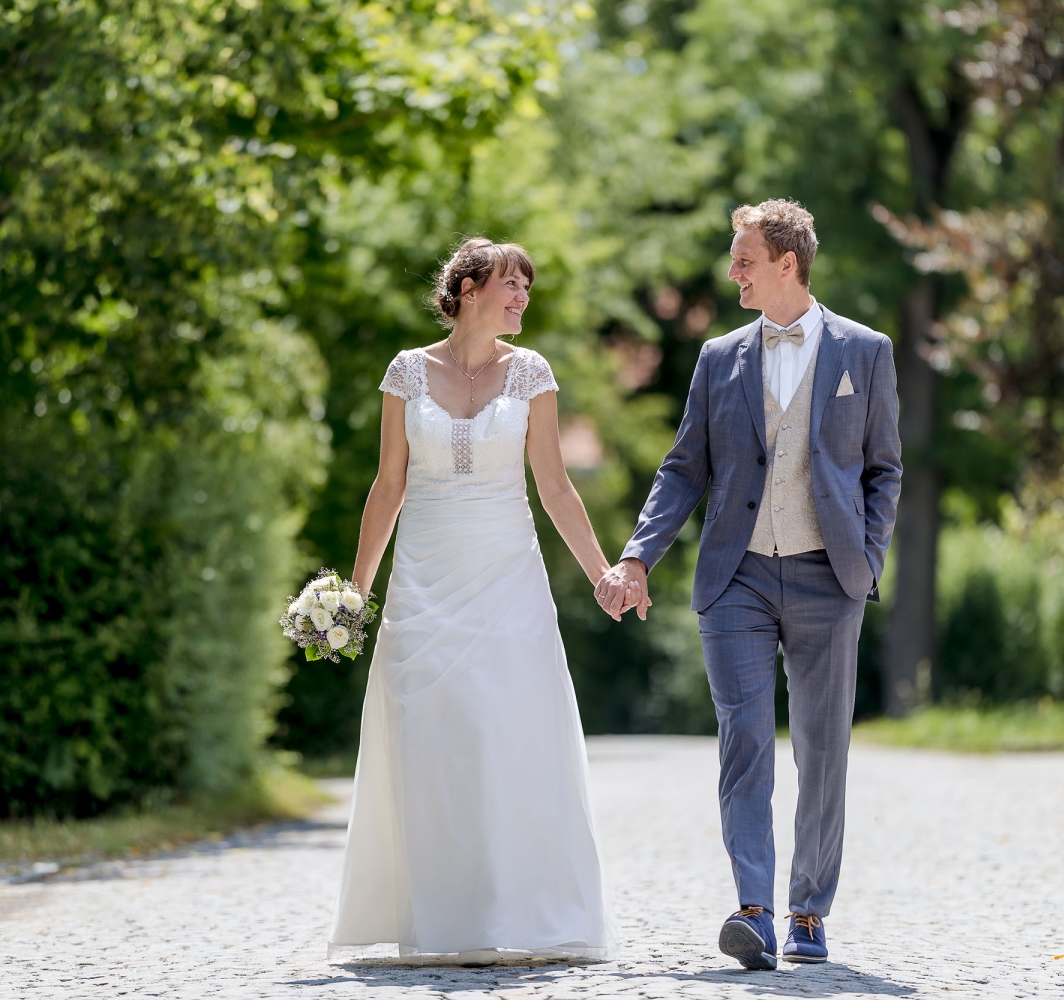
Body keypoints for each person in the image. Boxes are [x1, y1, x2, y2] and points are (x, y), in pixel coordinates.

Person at [596, 199, 902, 969]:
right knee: (744, 741)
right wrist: (636, 556)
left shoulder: (865, 352)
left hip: (829, 576)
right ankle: (754, 911)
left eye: (744, 260)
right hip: (735, 575)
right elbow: (683, 467)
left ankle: (808, 911)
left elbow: (883, 469)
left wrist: (865, 557)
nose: (732, 273)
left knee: (823, 749)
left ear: (787, 263)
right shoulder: (718, 357)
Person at [328, 237, 618, 965]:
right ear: (465, 289)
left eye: (527, 285)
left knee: (505, 731)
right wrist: (354, 595)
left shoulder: (533, 375)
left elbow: (554, 485)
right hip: (423, 579)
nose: (522, 296)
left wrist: (602, 572)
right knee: (432, 738)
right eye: (509, 283)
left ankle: (519, 911)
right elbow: (387, 487)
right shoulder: (405, 373)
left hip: (506, 577)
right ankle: (441, 918)